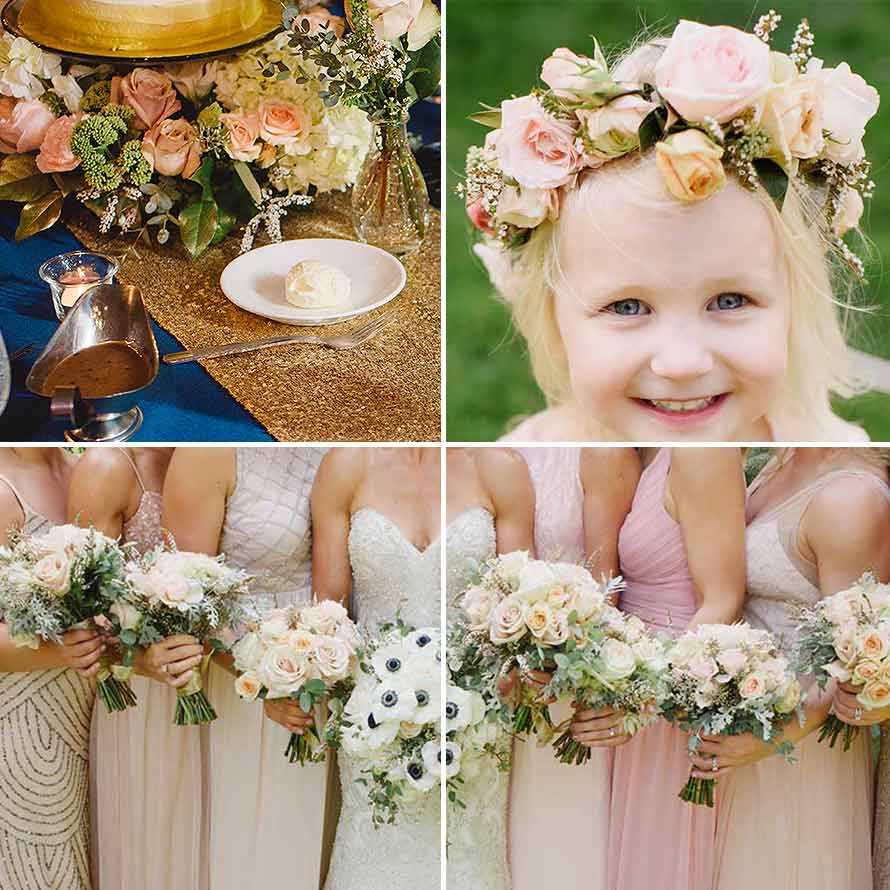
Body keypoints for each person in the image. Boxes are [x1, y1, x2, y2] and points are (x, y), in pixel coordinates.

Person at [464, 17, 878, 441]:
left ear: (796, 299)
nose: (682, 363)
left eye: (730, 301)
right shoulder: (527, 463)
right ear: (551, 319)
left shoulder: (835, 466)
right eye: (627, 307)